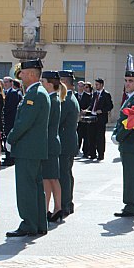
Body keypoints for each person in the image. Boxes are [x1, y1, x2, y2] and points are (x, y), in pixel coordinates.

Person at [5, 59, 50, 237]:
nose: (20, 76)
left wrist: (11, 138)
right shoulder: (38, 92)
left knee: (26, 188)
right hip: (33, 149)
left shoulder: (34, 94)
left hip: (28, 149)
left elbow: (25, 122)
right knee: (36, 187)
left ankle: (29, 223)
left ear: (31, 74)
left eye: (22, 72)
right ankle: (38, 223)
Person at [111, 70, 134, 217]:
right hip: (130, 143)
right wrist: (116, 133)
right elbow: (122, 119)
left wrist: (118, 137)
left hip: (132, 143)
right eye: (126, 80)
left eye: (130, 81)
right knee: (132, 175)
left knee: (130, 176)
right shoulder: (131, 97)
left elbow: (131, 123)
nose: (127, 83)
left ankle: (131, 206)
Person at [40, 71, 63, 222]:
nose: (41, 84)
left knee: (49, 179)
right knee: (51, 178)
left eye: (43, 82)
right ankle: (54, 208)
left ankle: (50, 208)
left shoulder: (52, 100)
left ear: (49, 84)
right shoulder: (54, 98)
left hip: (49, 143)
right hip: (51, 142)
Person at [58, 71, 80, 218]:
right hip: (69, 141)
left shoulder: (66, 100)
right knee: (67, 174)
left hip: (65, 142)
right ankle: (68, 203)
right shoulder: (71, 98)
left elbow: (58, 121)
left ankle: (65, 204)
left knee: (63, 175)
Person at [86, 78, 113, 160]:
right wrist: (87, 110)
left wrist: (102, 110)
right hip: (93, 118)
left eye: (97, 84)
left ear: (101, 85)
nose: (96, 86)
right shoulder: (94, 94)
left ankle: (101, 154)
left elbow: (110, 106)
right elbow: (92, 104)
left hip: (101, 119)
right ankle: (92, 153)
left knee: (100, 137)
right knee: (91, 136)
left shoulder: (106, 94)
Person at [2, 75, 23, 166]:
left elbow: (10, 107)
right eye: (4, 82)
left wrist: (4, 113)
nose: (5, 84)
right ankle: (7, 157)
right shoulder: (6, 92)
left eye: (7, 82)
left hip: (10, 120)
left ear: (11, 83)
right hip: (7, 120)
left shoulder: (13, 93)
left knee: (8, 138)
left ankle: (10, 158)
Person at [75, 80, 92, 155]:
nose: (80, 88)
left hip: (85, 118)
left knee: (86, 135)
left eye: (82, 86)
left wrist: (85, 110)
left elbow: (90, 105)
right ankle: (76, 150)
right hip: (76, 118)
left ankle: (85, 151)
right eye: (79, 86)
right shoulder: (74, 95)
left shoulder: (88, 96)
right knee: (77, 135)